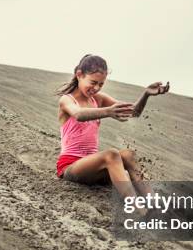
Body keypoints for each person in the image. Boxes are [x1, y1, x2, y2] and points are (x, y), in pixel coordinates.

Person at [56, 54, 169, 203]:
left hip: (94, 167)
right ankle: (139, 210)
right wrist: (108, 111)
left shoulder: (98, 99)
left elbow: (133, 112)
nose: (96, 88)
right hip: (71, 167)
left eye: (101, 84)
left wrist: (146, 94)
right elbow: (78, 114)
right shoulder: (67, 100)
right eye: (93, 82)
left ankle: (154, 203)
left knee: (128, 154)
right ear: (79, 75)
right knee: (111, 154)